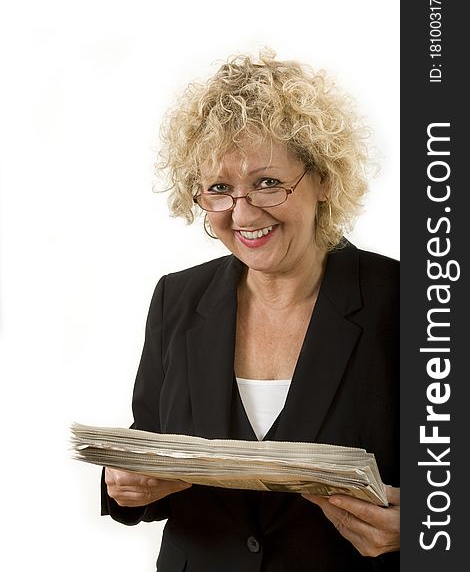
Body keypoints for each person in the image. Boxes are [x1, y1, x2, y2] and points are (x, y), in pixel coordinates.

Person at [102, 49, 400, 571]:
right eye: (219, 189)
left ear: (324, 179)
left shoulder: (409, 298)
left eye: (267, 182)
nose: (242, 213)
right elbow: (146, 442)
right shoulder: (176, 298)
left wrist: (431, 526)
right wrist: (126, 484)